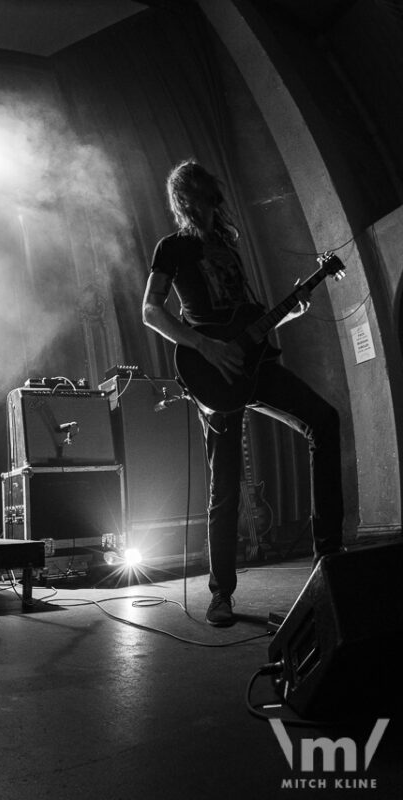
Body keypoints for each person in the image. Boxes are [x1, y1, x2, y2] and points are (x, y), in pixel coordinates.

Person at [141, 160, 343, 627]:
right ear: (185, 199)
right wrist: (204, 345)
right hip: (211, 371)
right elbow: (151, 310)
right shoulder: (172, 247)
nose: (209, 199)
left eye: (210, 191)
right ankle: (221, 595)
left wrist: (290, 310)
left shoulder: (228, 246)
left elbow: (246, 316)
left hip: (254, 364)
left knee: (324, 420)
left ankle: (329, 558)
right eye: (198, 193)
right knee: (225, 483)